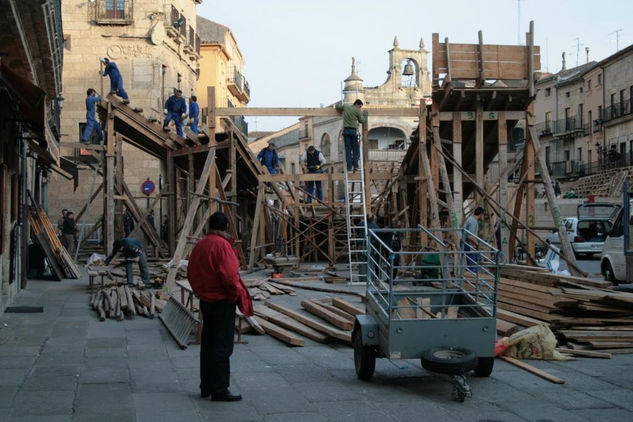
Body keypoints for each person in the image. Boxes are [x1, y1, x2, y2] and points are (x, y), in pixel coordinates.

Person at [187, 211, 253, 401]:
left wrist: (200, 291)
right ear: (225, 227)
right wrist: (234, 296)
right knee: (222, 346)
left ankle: (206, 385)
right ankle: (219, 389)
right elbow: (231, 277)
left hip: (206, 300)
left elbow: (191, 272)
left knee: (207, 344)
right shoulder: (222, 245)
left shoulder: (201, 244)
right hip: (222, 301)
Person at [336, 99, 367, 172]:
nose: (359, 108)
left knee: (348, 150)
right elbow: (361, 121)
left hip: (346, 132)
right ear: (356, 104)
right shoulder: (357, 111)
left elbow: (337, 106)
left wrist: (340, 104)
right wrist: (365, 116)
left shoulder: (346, 107)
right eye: (359, 106)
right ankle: (355, 166)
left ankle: (349, 167)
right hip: (353, 132)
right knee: (355, 150)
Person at [463, 207, 485, 273]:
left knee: (476, 261)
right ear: (481, 214)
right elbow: (470, 236)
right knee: (472, 264)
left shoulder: (471, 219)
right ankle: (471, 278)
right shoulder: (473, 221)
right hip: (469, 244)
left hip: (469, 244)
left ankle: (472, 277)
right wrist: (477, 244)